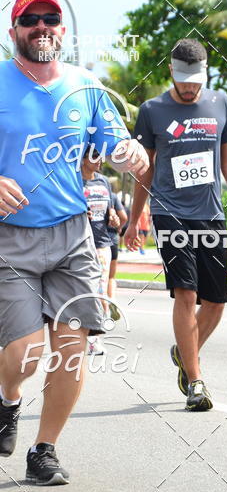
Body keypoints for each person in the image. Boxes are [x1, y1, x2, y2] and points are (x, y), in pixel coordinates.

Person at [0, 0, 148, 485]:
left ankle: (45, 450)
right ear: (13, 31)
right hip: (10, 239)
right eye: (30, 20)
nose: (42, 27)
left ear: (63, 31)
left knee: (70, 348)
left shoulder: (85, 86)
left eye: (51, 20)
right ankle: (9, 398)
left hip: (72, 235)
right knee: (24, 356)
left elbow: (113, 139)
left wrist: (130, 152)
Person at [125, 38, 227, 412]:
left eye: (196, 79)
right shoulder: (152, 111)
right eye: (183, 79)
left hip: (211, 214)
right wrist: (136, 217)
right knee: (186, 294)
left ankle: (184, 353)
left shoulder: (221, 104)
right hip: (170, 213)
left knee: (216, 302)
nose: (189, 87)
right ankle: (196, 381)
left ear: (206, 74)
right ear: (171, 71)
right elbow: (144, 170)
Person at [81, 150, 118, 354]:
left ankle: (94, 340)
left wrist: (114, 218)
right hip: (81, 244)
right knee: (87, 291)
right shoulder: (75, 181)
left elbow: (110, 211)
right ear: (83, 159)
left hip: (103, 243)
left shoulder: (104, 182)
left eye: (101, 156)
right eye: (94, 156)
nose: (100, 161)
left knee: (100, 290)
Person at [107, 187, 127, 315]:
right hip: (112, 238)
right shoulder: (112, 196)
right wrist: (118, 228)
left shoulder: (84, 190)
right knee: (111, 276)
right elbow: (124, 217)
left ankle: (101, 305)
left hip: (95, 239)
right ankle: (112, 300)